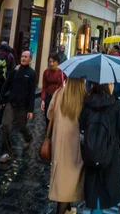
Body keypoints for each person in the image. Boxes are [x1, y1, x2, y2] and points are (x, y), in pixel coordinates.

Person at [79, 82, 120, 213]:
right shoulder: (116, 105)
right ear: (107, 85)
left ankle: (95, 210)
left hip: (91, 150)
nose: (113, 85)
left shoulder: (87, 102)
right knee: (106, 185)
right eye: (111, 82)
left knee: (93, 185)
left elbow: (81, 126)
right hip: (110, 151)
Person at [48, 77, 86, 214]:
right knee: (69, 180)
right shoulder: (84, 97)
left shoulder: (58, 93)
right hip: (75, 147)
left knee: (62, 179)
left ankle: (68, 209)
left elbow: (49, 114)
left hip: (58, 144)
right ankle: (62, 210)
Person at [0, 50, 36, 163]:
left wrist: (31, 110)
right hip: (11, 103)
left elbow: (32, 93)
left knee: (21, 126)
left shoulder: (32, 73)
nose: (23, 58)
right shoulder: (15, 70)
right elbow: (7, 84)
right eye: (22, 56)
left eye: (26, 57)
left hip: (23, 106)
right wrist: (1, 99)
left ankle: (28, 137)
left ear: (30, 59)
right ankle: (6, 152)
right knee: (5, 126)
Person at [41, 53, 65, 124]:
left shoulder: (62, 73)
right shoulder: (46, 72)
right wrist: (43, 99)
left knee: (56, 119)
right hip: (48, 97)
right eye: (50, 62)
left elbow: (64, 85)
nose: (51, 64)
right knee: (47, 117)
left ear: (57, 62)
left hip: (58, 98)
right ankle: (48, 133)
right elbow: (44, 87)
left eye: (53, 62)